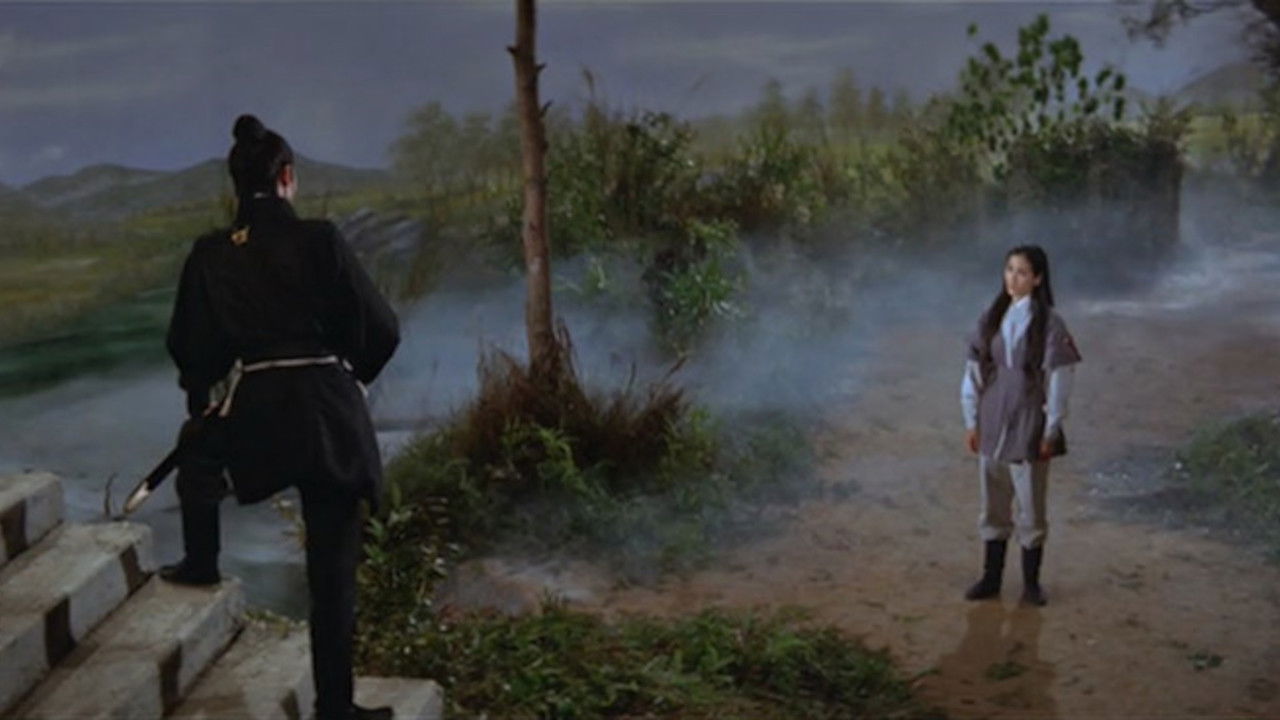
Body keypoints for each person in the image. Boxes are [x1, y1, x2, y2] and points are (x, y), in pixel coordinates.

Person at [163, 114, 400, 720]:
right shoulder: (320, 238)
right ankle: (335, 707)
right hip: (327, 411)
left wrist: (203, 396)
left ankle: (200, 563)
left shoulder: (212, 252)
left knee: (198, 446)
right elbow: (382, 330)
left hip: (260, 410)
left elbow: (190, 347)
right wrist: (352, 376)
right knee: (332, 572)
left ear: (236, 186)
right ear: (287, 177)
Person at [960, 245, 1080, 606]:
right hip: (993, 414)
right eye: (1009, 270)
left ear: (1038, 278)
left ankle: (1031, 584)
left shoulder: (1050, 324)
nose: (1013, 278)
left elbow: (1059, 381)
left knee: (1030, 504)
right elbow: (973, 372)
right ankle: (991, 579)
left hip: (1029, 417)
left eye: (1022, 272)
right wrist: (971, 419)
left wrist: (1051, 428)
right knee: (993, 500)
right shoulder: (992, 317)